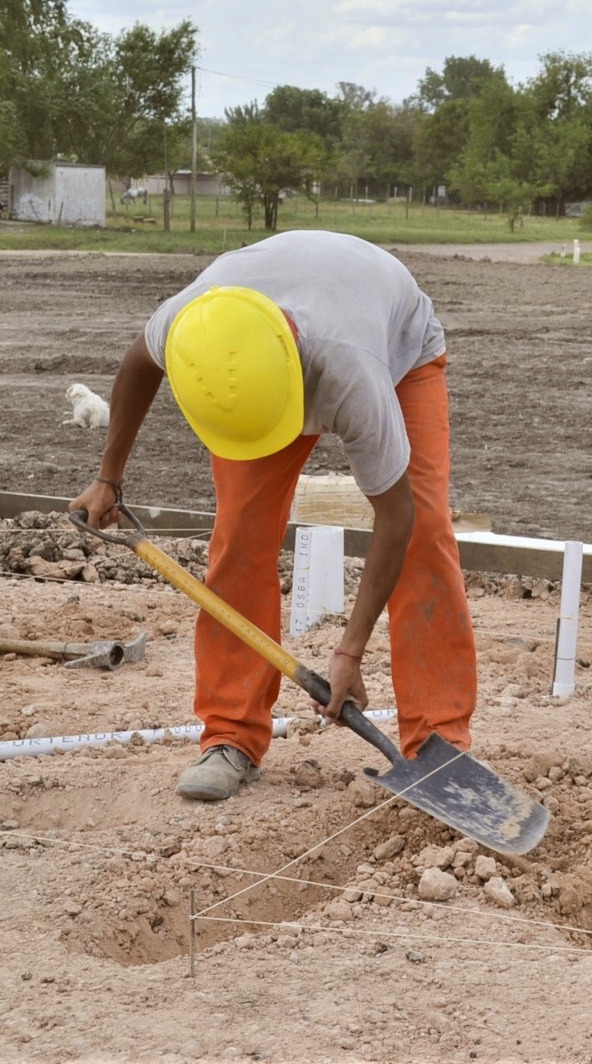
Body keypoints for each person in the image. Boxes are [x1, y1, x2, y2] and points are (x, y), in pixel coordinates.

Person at [70, 231, 475, 802]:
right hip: (263, 358)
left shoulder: (353, 373)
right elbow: (139, 362)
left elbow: (396, 517)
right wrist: (108, 477)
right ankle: (231, 734)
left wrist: (348, 652)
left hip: (391, 341)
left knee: (427, 532)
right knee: (240, 537)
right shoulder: (190, 324)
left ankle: (438, 740)